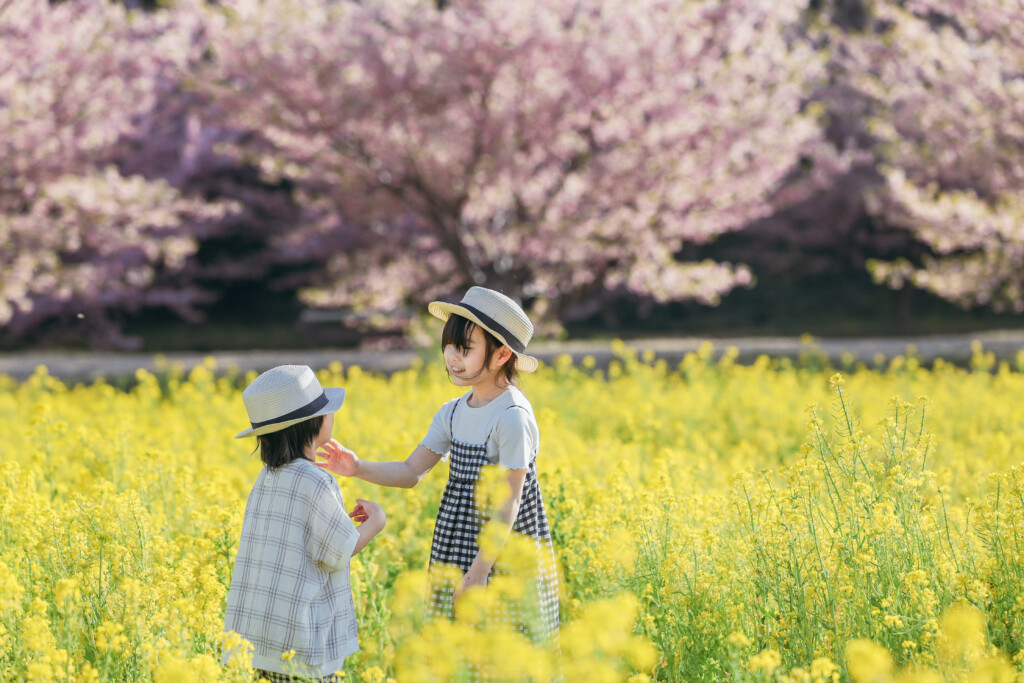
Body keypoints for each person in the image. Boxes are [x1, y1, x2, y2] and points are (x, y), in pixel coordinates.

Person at [317, 287, 560, 652]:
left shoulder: (512, 417)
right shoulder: (452, 411)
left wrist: (480, 571)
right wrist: (356, 467)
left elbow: (509, 504)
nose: (452, 357)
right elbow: (411, 471)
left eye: (465, 348)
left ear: (502, 354)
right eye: (449, 346)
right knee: (455, 653)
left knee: (503, 652)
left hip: (500, 553)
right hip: (453, 546)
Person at [223, 365, 386, 683]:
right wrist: (377, 520)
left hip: (259, 642)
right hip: (301, 643)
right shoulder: (317, 479)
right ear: (312, 423)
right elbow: (339, 551)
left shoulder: (266, 477)